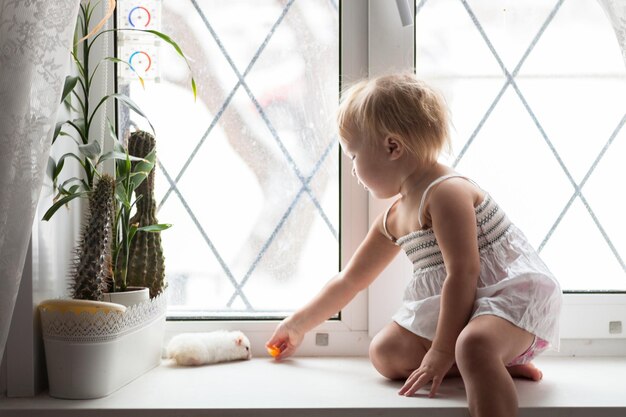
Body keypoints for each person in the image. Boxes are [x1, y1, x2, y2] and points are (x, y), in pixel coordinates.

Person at [266, 73, 562, 417]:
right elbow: (350, 279)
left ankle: (482, 358)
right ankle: (489, 363)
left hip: (507, 298)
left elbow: (464, 272)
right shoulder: (395, 216)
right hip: (467, 306)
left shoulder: (446, 192)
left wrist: (440, 350)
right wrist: (298, 324)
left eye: (353, 156)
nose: (353, 170)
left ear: (392, 147)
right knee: (385, 353)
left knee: (472, 344)